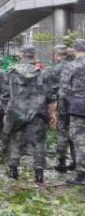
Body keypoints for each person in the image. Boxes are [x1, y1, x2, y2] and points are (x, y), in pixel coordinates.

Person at [3, 45, 55, 183]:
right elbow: (50, 96)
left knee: (16, 140)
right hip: (38, 114)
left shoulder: (12, 73)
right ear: (34, 56)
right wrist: (52, 114)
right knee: (39, 143)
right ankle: (39, 174)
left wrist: (6, 113)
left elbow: (6, 95)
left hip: (17, 113)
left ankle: (13, 170)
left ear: (21, 55)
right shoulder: (43, 73)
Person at [60, 39, 85, 186]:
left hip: (78, 106)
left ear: (75, 49)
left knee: (79, 139)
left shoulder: (72, 66)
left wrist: (61, 111)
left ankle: (81, 173)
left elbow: (64, 90)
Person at [50, 44, 77, 172]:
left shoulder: (55, 69)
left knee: (62, 131)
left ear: (57, 55)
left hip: (63, 104)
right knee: (76, 132)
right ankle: (76, 161)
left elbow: (51, 89)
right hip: (78, 104)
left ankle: (61, 162)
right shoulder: (76, 66)